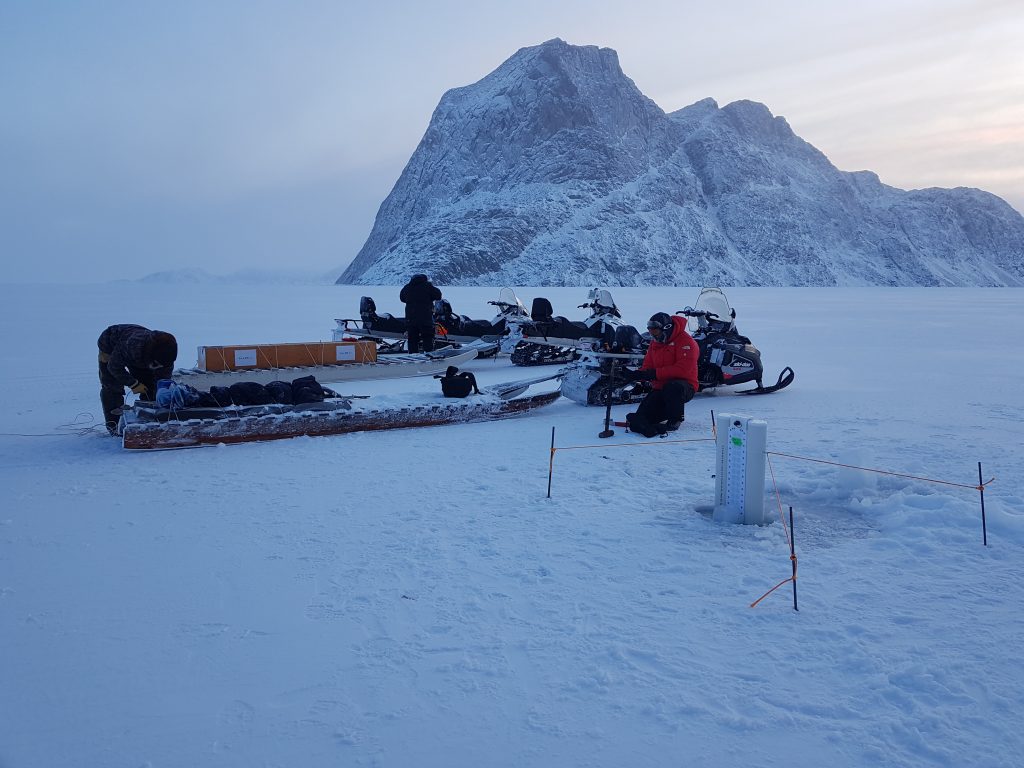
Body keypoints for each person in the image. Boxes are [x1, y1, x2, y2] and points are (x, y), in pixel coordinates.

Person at [620, 312, 699, 438]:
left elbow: (683, 370)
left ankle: (675, 419)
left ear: (666, 328)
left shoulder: (686, 342)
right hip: (660, 387)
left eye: (655, 332)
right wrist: (637, 375)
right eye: (650, 331)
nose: (653, 335)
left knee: (673, 387)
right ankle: (655, 421)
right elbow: (648, 365)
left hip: (684, 387)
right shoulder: (655, 342)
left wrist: (653, 374)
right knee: (641, 418)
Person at [97, 325, 178, 435]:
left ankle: (150, 420)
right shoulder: (132, 345)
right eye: (156, 364)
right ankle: (114, 427)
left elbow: (163, 379)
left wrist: (161, 392)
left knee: (150, 387)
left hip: (142, 356)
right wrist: (133, 384)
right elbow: (113, 367)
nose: (158, 367)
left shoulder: (166, 357)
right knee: (111, 387)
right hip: (110, 345)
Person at [399, 273, 442, 352]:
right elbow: (438, 296)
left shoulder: (407, 287)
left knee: (412, 339)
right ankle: (429, 354)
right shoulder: (428, 286)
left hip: (410, 318)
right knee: (427, 337)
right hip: (425, 318)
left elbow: (402, 298)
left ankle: (413, 356)